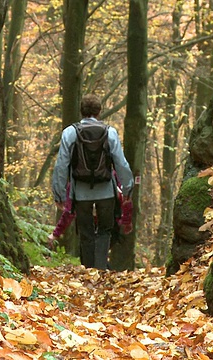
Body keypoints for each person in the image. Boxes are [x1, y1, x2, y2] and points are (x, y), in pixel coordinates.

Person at [52, 94, 133, 269]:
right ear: (99, 111)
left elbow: (61, 165)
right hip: (106, 191)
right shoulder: (110, 132)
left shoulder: (70, 132)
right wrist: (127, 189)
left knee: (86, 232)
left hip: (80, 192)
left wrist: (59, 194)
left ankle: (88, 272)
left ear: (81, 111)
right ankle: (100, 270)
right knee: (104, 230)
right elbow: (121, 163)